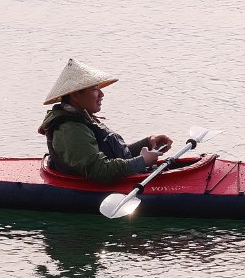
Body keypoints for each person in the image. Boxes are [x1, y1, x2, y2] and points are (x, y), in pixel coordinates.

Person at [38, 58, 175, 184]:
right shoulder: (70, 129)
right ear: (75, 95)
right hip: (87, 191)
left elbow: (116, 153)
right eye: (94, 89)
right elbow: (99, 170)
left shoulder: (83, 117)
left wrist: (148, 142)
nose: (101, 94)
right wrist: (141, 161)